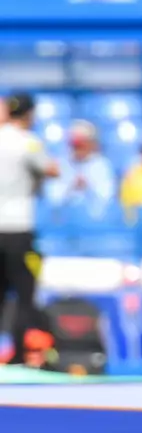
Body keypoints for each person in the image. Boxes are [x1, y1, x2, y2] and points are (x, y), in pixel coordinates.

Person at [0, 93, 57, 365]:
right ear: (29, 114)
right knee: (24, 294)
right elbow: (52, 169)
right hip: (18, 228)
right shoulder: (28, 143)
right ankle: (19, 356)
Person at [45, 120, 115, 207]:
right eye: (75, 145)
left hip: (94, 216)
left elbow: (107, 197)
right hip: (66, 216)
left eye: (81, 145)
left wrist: (87, 186)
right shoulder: (61, 164)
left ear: (91, 144)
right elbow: (52, 197)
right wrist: (71, 186)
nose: (77, 149)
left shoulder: (102, 165)